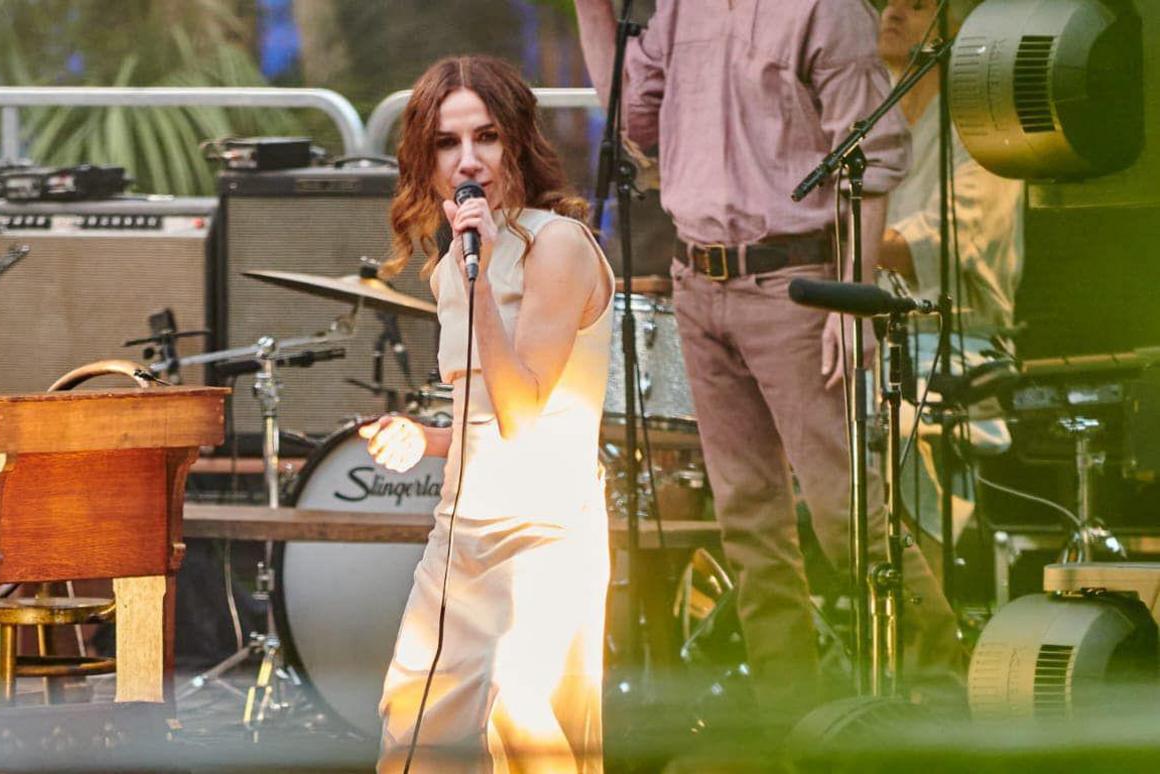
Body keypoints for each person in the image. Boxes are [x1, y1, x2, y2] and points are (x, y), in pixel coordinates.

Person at [573, 0, 963, 715]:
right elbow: (632, 124)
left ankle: (942, 697)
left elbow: (870, 157)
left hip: (796, 283)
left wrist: (853, 298)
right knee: (748, 520)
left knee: (845, 513)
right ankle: (796, 723)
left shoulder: (824, 9)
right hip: (700, 279)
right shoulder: (681, 9)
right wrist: (591, 14)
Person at [361, 55, 616, 772]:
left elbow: (525, 412)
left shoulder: (555, 246)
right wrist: (428, 438)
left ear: (517, 143)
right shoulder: (452, 264)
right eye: (447, 143)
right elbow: (484, 418)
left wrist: (479, 288)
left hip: (542, 535)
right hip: (461, 536)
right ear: (426, 157)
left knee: (524, 731)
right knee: (413, 733)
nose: (468, 160)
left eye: (487, 138)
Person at [876, 0, 1024, 554]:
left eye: (914, 5)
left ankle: (930, 594)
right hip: (871, 341)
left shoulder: (983, 123)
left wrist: (844, 245)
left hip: (957, 340)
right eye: (886, 3)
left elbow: (951, 237)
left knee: (892, 424)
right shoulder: (863, 120)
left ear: (957, 27)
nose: (892, 14)